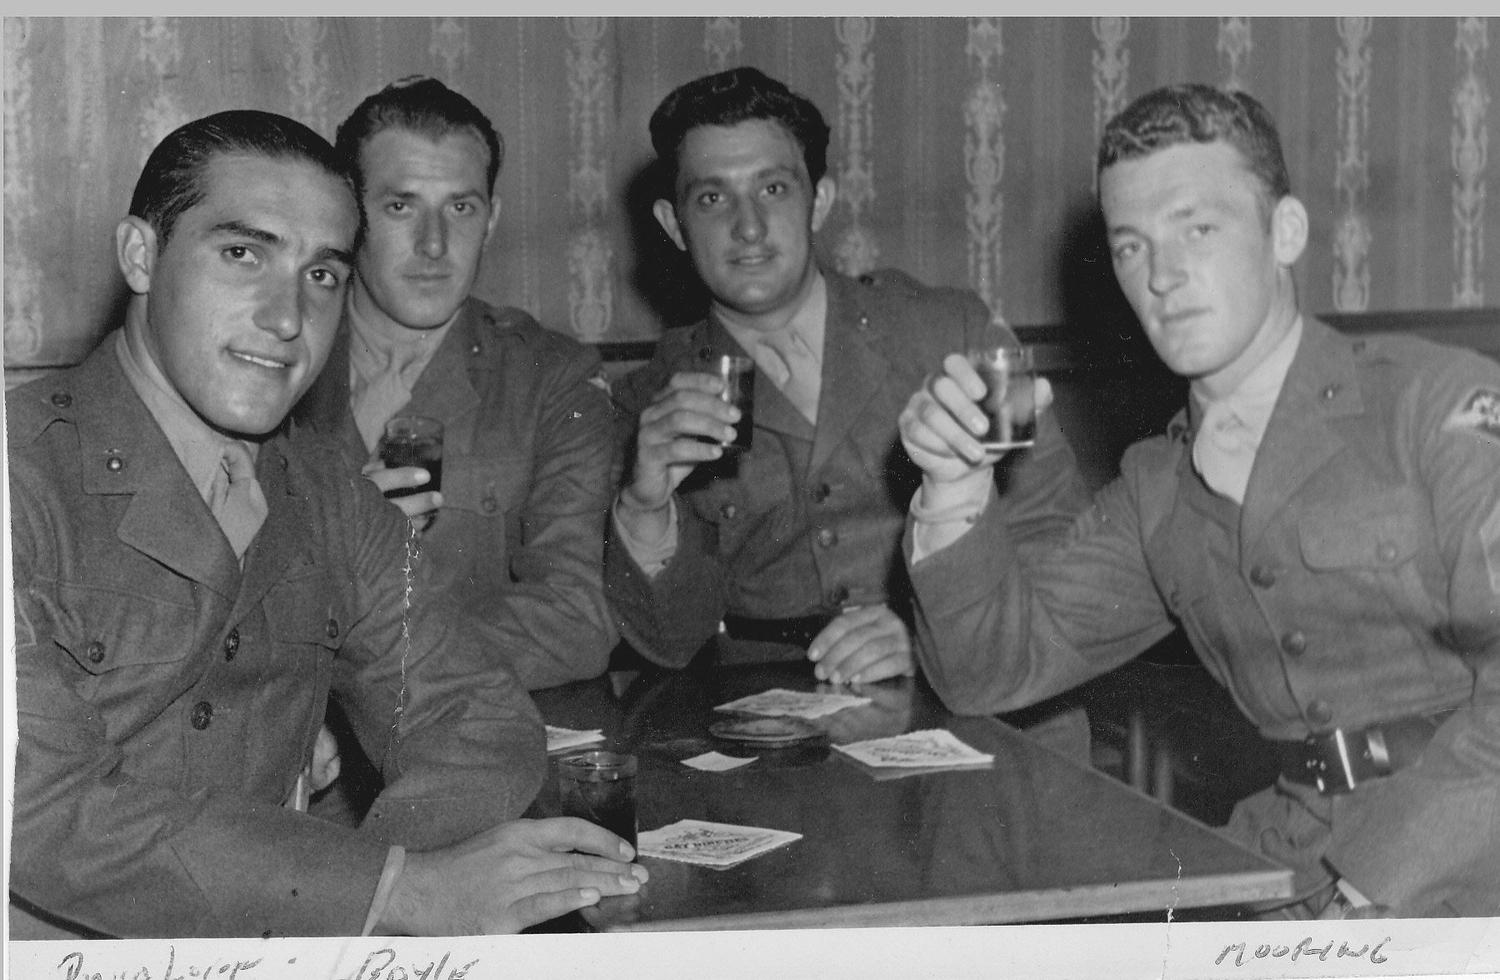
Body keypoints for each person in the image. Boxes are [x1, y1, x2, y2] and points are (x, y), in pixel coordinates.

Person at [7, 109, 646, 939]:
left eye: (322, 276)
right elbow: (37, 808)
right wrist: (388, 891)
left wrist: (384, 885)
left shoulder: (325, 488)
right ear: (141, 254)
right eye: (244, 253)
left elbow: (470, 712)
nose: (286, 317)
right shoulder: (18, 478)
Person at [899, 83, 1500, 918]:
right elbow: (990, 670)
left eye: (1198, 229)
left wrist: (1377, 890)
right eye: (1132, 247)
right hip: (1287, 863)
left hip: (1464, 867)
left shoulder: (1437, 407)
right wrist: (954, 482)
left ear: (1283, 231)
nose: (1165, 277)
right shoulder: (1157, 484)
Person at [606, 66, 1087, 681]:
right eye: (712, 197)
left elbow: (1061, 538)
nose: (748, 226)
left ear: (820, 202)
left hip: (974, 684)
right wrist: (645, 503)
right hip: (770, 722)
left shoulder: (956, 333)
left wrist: (927, 633)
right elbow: (669, 644)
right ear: (674, 226)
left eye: (774, 190)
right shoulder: (648, 401)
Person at [294, 76, 616, 691]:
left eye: (460, 208)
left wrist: (368, 672)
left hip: (473, 744)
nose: (434, 244)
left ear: (491, 219)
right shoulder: (276, 365)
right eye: (401, 206)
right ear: (347, 215)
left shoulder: (549, 377)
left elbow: (574, 620)